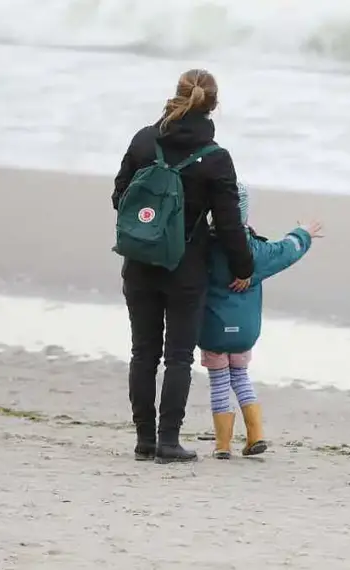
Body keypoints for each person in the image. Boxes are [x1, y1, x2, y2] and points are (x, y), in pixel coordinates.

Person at [112, 69, 255, 464]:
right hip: (186, 268)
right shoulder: (216, 159)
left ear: (176, 95)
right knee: (178, 357)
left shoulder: (144, 140)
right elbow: (229, 224)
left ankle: (144, 440)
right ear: (213, 105)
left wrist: (152, 222)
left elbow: (119, 197)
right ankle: (168, 442)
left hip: (139, 261)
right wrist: (243, 268)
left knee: (143, 353)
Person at [198, 182, 323, 459]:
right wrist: (303, 232)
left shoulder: (202, 248)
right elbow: (287, 250)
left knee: (219, 383)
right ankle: (255, 435)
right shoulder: (257, 251)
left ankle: (222, 446)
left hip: (212, 330)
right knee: (241, 377)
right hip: (245, 332)